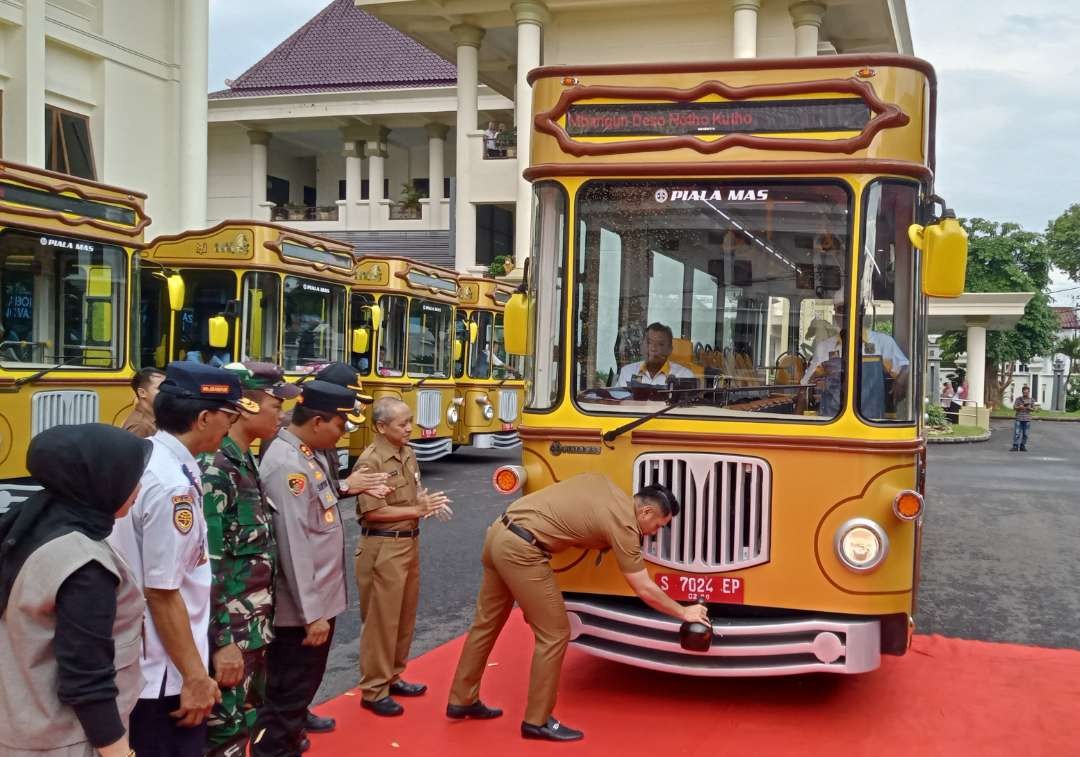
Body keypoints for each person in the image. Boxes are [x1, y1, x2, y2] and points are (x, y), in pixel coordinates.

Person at [446, 474, 709, 742]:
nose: (654, 532)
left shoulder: (604, 485)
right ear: (645, 511)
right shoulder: (624, 523)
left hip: (498, 533)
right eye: (658, 525)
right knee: (555, 633)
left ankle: (462, 698)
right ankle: (537, 721)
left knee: (486, 623)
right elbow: (643, 588)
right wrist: (684, 611)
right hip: (522, 550)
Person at [109, 362, 258, 757]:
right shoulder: (172, 485)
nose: (232, 425)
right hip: (163, 672)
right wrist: (194, 677)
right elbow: (162, 591)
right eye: (230, 415)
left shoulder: (156, 457)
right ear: (204, 417)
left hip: (152, 659)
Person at [253, 381, 388, 757]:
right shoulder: (287, 465)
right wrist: (312, 614)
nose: (345, 431)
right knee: (286, 695)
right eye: (341, 424)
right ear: (316, 421)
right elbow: (294, 544)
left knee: (297, 694)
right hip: (300, 611)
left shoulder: (306, 454)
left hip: (314, 602)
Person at [0, 424, 152, 757]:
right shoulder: (83, 565)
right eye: (130, 477)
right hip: (66, 740)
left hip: (21, 727)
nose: (138, 487)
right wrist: (119, 753)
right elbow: (86, 680)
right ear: (101, 481)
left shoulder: (33, 524)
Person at [199, 363, 299, 757]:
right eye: (276, 404)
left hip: (253, 629)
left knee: (246, 724)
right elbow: (205, 566)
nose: (282, 413)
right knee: (222, 733)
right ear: (245, 407)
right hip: (230, 636)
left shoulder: (244, 461)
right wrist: (221, 642)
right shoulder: (216, 468)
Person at [353, 398, 451, 717]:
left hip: (408, 543)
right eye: (402, 424)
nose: (410, 428)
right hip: (383, 545)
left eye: (410, 422)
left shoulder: (406, 452)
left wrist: (426, 502)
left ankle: (393, 675)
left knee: (404, 616)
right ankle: (374, 689)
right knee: (382, 621)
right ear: (381, 427)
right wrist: (417, 510)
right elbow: (373, 511)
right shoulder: (371, 462)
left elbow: (412, 492)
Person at [801, 291, 909, 418]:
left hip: (871, 423)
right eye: (842, 310)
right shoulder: (824, 347)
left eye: (853, 309)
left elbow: (906, 367)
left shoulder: (882, 343)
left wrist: (901, 382)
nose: (848, 315)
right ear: (835, 315)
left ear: (861, 312)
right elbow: (806, 386)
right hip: (830, 421)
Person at [613, 322, 694, 387]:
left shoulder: (684, 376)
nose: (653, 348)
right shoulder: (627, 372)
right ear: (642, 346)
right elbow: (618, 402)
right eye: (649, 343)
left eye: (660, 344)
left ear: (670, 350)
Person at [123, 366, 166, 438]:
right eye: (160, 388)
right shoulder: (139, 427)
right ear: (142, 393)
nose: (166, 391)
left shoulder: (153, 417)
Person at [1011, 384, 1038, 452]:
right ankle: (1015, 446)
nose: (1025, 393)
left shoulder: (1031, 400)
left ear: (1029, 392)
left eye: (1027, 392)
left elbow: (1034, 409)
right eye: (1024, 392)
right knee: (1017, 433)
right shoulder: (1018, 399)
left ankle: (1023, 446)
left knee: (1025, 434)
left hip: (1027, 419)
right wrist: (1019, 407)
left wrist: (1029, 408)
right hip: (1019, 418)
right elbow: (1014, 408)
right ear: (1022, 392)